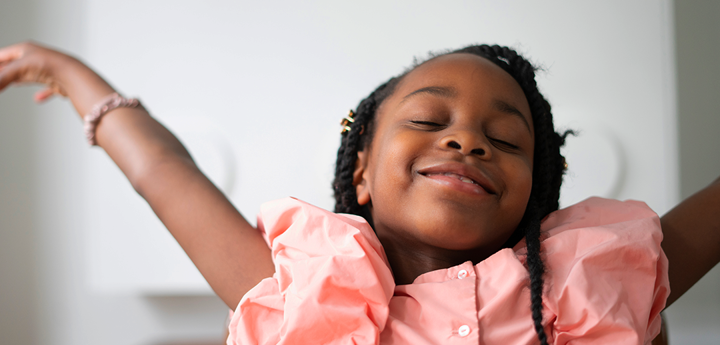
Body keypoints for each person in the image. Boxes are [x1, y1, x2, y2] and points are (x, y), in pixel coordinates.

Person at [0, 42, 717, 344]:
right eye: (431, 120)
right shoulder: (306, 294)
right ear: (363, 171)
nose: (468, 142)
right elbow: (167, 175)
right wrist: (64, 71)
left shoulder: (589, 281)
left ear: (534, 192)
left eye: (506, 139)